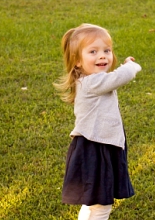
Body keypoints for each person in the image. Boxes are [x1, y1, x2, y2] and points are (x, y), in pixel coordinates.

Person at [55, 23, 139, 220]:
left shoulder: (92, 79)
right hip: (96, 148)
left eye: (106, 50)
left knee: (92, 201)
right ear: (77, 61)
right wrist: (131, 66)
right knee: (102, 204)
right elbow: (120, 77)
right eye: (93, 51)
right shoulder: (91, 83)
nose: (102, 56)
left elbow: (111, 78)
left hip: (98, 146)